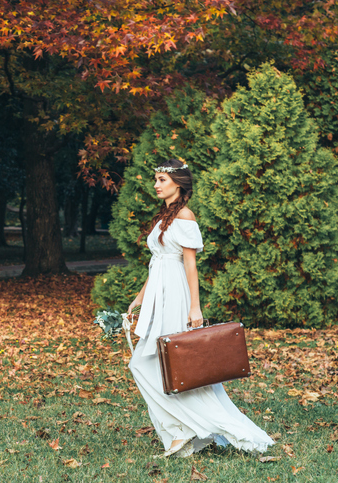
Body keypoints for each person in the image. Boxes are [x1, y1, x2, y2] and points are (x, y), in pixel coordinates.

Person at [127, 158, 274, 458]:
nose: (156, 184)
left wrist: (195, 308)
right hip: (158, 291)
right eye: (155, 179)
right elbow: (157, 262)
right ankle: (180, 431)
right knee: (144, 363)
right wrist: (140, 297)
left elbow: (189, 264)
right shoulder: (163, 217)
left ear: (178, 184)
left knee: (174, 363)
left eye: (162, 180)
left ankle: (192, 431)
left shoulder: (185, 216)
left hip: (176, 294)